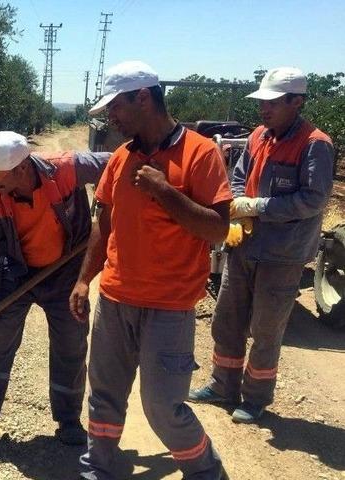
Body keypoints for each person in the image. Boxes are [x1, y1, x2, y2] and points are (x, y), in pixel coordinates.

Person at [70, 61, 232, 480]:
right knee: (103, 397)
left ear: (143, 97)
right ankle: (98, 469)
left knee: (162, 407)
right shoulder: (121, 158)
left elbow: (217, 229)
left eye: (116, 108)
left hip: (169, 308)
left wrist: (164, 191)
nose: (112, 118)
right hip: (116, 300)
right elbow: (102, 224)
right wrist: (84, 279)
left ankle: (205, 470)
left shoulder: (200, 152)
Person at [189, 67, 336, 423]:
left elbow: (313, 200)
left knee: (266, 329)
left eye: (272, 102)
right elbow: (238, 178)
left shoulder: (316, 144)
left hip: (282, 255)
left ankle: (255, 397)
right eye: (262, 102)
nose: (263, 109)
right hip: (245, 247)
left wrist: (258, 207)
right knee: (227, 320)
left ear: (296, 102)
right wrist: (239, 206)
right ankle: (223, 385)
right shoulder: (258, 136)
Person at [0, 131, 109, 446]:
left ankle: (69, 420)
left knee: (71, 345)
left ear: (22, 169)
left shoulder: (64, 169)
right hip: (16, 274)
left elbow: (117, 164)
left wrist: (126, 191)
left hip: (65, 273)